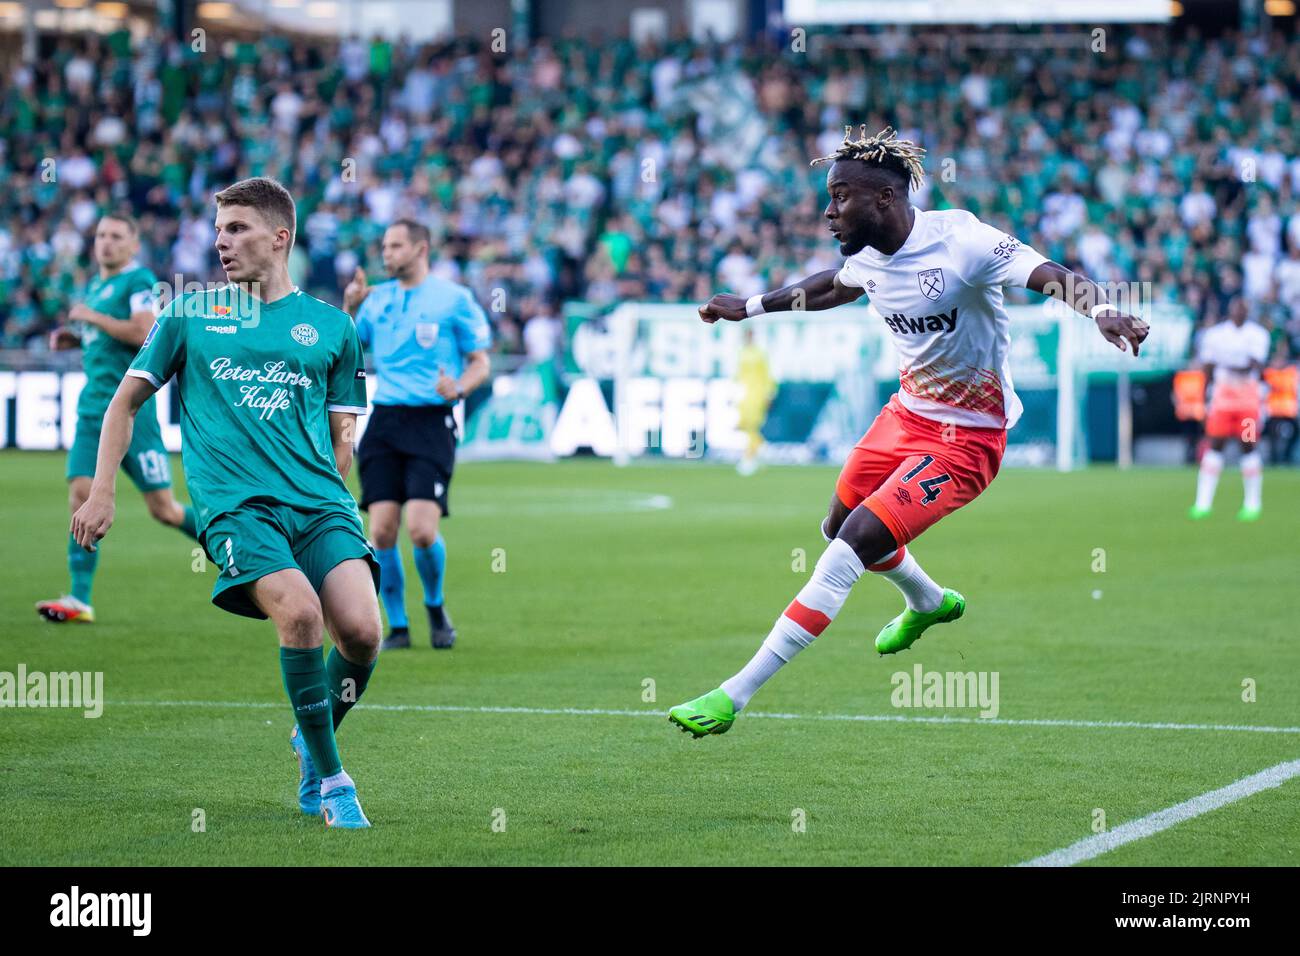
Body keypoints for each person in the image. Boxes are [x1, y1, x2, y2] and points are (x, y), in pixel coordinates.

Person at [669, 127, 1149, 738]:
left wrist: (1104, 310)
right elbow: (833, 286)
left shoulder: (962, 240)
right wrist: (754, 305)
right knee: (837, 526)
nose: (828, 209)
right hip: (907, 415)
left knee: (850, 547)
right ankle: (927, 601)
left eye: (840, 196)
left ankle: (733, 694)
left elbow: (1044, 271)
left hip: (968, 438)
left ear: (885, 200)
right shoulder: (867, 255)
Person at [71, 177, 382, 827]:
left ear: (280, 237)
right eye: (218, 230)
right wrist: (103, 490)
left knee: (361, 632)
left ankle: (311, 731)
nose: (221, 241)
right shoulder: (189, 314)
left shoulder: (331, 327)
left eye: (237, 228)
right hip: (238, 508)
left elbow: (342, 432)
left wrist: (336, 477)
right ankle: (331, 778)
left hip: (321, 503)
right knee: (300, 616)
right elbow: (124, 402)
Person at [37, 212, 198, 624]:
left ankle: (241, 547)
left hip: (132, 412)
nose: (105, 243)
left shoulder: (138, 280)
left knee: (163, 509)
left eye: (115, 236)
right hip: (93, 410)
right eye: (100, 235)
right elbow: (108, 335)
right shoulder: (97, 284)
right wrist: (77, 336)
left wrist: (92, 319)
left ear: (133, 245)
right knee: (81, 492)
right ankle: (79, 598)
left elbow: (144, 331)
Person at [342, 219, 491, 651]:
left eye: (395, 246)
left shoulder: (454, 299)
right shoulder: (375, 299)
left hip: (431, 422)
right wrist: (349, 308)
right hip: (386, 420)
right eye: (384, 246)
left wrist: (459, 387)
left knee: (422, 531)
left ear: (420, 249)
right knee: (382, 530)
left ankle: (435, 606)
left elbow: (481, 360)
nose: (386, 254)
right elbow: (343, 347)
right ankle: (399, 626)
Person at [1189, 298, 1270, 521]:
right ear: (1230, 311)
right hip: (1222, 398)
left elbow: (1254, 365)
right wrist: (1204, 400)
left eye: (1242, 308)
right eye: (1235, 308)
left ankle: (1252, 503)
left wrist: (1223, 364)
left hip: (1247, 399)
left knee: (1247, 445)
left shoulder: (1257, 334)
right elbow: (1207, 367)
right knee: (1215, 444)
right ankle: (1202, 503)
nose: (1238, 311)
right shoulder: (1215, 335)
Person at [735, 326, 776, 476]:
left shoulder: (759, 354)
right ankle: (761, 449)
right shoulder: (742, 352)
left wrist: (769, 393)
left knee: (753, 426)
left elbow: (768, 375)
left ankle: (749, 458)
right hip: (744, 394)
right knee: (745, 425)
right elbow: (738, 375)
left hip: (757, 394)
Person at [1262, 341, 1298, 465]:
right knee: (1272, 437)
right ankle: (1274, 459)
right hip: (1273, 411)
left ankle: (1286, 457)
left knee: (1295, 434)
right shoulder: (1269, 373)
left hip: (1289, 411)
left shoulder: (1291, 372)